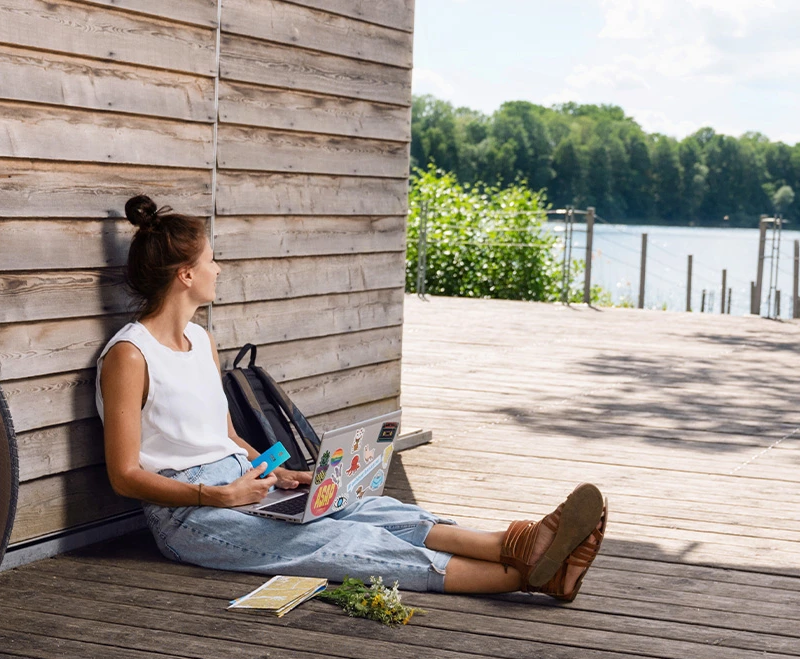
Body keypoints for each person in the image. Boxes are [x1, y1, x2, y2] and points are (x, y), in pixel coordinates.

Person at [96, 195, 608, 601]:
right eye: (211, 260)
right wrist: (217, 496)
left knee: (367, 509)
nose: (219, 268)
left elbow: (225, 437)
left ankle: (521, 545)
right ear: (185, 274)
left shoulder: (202, 340)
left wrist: (279, 473)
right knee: (340, 542)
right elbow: (125, 476)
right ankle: (524, 578)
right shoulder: (130, 355)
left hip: (247, 483)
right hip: (191, 516)